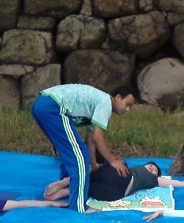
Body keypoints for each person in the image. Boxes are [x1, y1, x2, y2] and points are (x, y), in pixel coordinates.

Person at [31, 84, 138, 213]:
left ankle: (67, 189)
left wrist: (94, 166)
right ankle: (78, 209)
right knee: (79, 157)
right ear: (118, 97)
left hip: (40, 104)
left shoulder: (99, 104)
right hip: (53, 106)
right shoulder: (106, 103)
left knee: (70, 152)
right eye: (127, 104)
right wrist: (112, 161)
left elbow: (91, 140)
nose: (128, 109)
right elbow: (98, 138)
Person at [43, 161, 184, 202]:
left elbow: (181, 184)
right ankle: (66, 183)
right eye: (151, 166)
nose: (153, 169)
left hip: (117, 192)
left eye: (155, 170)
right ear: (143, 165)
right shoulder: (131, 168)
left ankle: (66, 188)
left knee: (89, 187)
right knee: (100, 170)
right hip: (119, 176)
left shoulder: (156, 180)